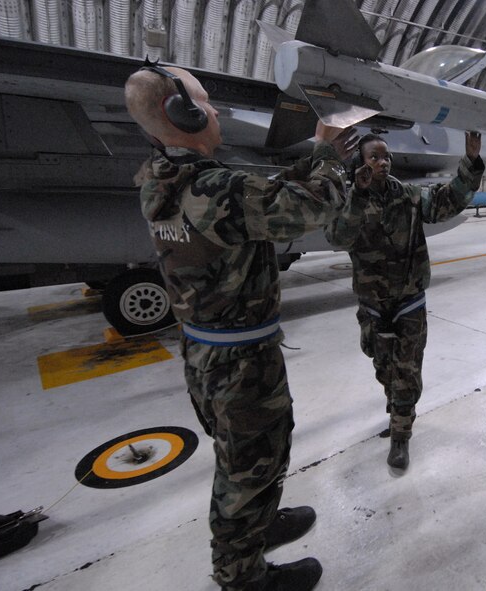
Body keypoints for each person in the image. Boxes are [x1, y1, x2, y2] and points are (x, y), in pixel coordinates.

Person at [125, 64, 367, 591]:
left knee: (252, 455)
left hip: (207, 353)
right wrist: (325, 150)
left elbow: (251, 201)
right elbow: (313, 209)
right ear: (181, 113)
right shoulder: (211, 188)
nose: (214, 111)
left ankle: (261, 518)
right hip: (240, 364)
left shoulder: (165, 177)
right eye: (206, 103)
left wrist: (308, 163)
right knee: (243, 469)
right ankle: (243, 577)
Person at [326, 131, 484, 470]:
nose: (382, 163)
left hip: (408, 302)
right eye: (374, 157)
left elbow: (447, 201)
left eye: (386, 157)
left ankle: (401, 435)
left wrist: (470, 163)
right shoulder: (349, 200)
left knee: (407, 372)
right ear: (360, 163)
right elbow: (338, 235)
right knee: (384, 367)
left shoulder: (409, 196)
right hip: (373, 305)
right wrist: (358, 194)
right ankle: (396, 409)